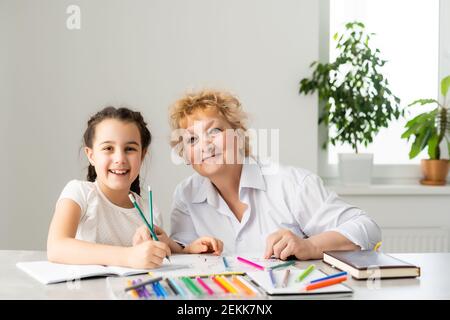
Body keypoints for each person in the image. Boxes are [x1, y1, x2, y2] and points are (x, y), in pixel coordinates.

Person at [168, 90, 381, 260]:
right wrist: (171, 245)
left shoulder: (291, 184)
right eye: (192, 140)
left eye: (214, 131)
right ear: (185, 155)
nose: (205, 145)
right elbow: (184, 250)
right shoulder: (186, 195)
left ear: (240, 136)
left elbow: (366, 228)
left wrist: (309, 245)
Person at [47, 106, 223, 269]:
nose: (120, 159)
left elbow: (157, 251)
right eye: (108, 148)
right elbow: (56, 247)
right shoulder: (79, 193)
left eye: (130, 149)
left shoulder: (148, 211)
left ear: (142, 154)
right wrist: (128, 256)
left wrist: (186, 250)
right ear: (91, 155)